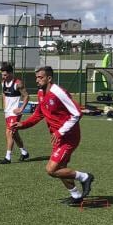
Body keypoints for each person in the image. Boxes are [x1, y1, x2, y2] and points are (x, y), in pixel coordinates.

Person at [11, 66, 94, 204]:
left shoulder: (59, 92)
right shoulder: (40, 93)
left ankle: (85, 177)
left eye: (40, 77)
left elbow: (77, 113)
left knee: (51, 169)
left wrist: (60, 132)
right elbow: (38, 114)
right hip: (57, 137)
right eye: (36, 77)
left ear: (49, 78)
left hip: (69, 137)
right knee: (61, 168)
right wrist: (23, 124)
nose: (37, 80)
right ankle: (76, 196)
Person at [0, 62, 30, 163]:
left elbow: (26, 96)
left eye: (5, 75)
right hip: (7, 112)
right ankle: (24, 153)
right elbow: (3, 93)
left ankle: (7, 157)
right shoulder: (3, 82)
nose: (3, 77)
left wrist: (21, 109)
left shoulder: (18, 83)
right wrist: (4, 106)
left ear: (10, 73)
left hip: (15, 113)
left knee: (9, 132)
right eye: (2, 75)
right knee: (14, 133)